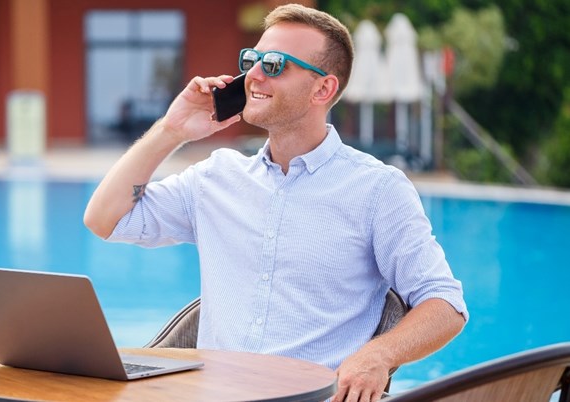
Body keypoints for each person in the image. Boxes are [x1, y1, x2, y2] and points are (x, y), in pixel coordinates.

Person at [84, 4, 468, 402]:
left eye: (274, 64)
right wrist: (170, 130)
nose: (252, 74)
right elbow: (103, 220)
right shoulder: (215, 178)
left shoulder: (377, 190)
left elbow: (445, 304)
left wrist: (378, 354)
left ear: (323, 89)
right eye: (251, 60)